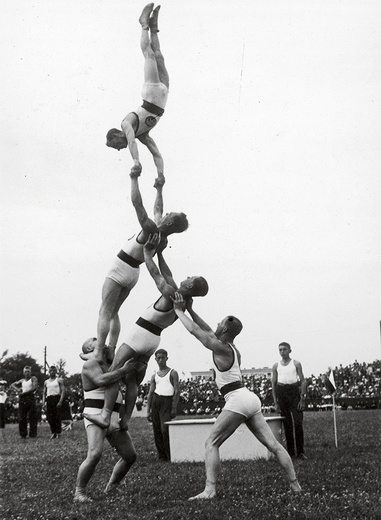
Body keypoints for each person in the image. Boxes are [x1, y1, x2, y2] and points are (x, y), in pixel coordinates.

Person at [172, 292, 302, 499]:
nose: (215, 324)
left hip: (237, 399)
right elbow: (207, 329)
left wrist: (179, 311)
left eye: (220, 322)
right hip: (249, 399)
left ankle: (210, 490)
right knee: (274, 446)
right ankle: (295, 486)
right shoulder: (232, 348)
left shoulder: (220, 347)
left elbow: (197, 331)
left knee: (211, 443)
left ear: (223, 328)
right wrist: (191, 309)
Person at [84, 233, 208, 430]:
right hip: (154, 340)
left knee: (114, 370)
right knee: (132, 380)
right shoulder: (183, 302)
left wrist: (148, 254)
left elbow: (157, 276)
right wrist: (160, 254)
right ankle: (125, 420)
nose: (186, 277)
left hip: (140, 334)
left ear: (191, 285)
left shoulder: (171, 294)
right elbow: (168, 275)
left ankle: (106, 415)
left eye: (189, 278)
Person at [94, 167, 188, 364]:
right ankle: (111, 347)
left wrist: (133, 179)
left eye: (170, 215)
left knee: (105, 310)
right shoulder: (161, 239)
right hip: (133, 273)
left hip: (121, 267)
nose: (167, 212)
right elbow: (158, 209)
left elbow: (138, 204)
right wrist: (159, 189)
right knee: (114, 311)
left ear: (170, 223)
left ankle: (99, 351)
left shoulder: (151, 229)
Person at [106, 3, 169, 179]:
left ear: (117, 134)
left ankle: (143, 24)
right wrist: (160, 174)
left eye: (115, 145)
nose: (119, 148)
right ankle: (154, 27)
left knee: (148, 54)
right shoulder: (143, 135)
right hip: (162, 96)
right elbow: (156, 153)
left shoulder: (126, 124)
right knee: (158, 54)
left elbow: (131, 141)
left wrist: (135, 162)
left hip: (151, 94)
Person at [74, 339, 137, 503]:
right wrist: (124, 369)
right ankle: (79, 492)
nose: (100, 339)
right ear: (89, 348)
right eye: (94, 340)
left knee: (129, 456)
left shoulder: (110, 362)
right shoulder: (90, 363)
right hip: (96, 413)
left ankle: (112, 486)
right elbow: (102, 381)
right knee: (94, 454)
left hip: (113, 416)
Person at [272, 342, 307, 460]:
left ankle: (300, 452)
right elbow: (274, 384)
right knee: (287, 425)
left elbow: (303, 381)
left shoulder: (296, 363)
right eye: (280, 350)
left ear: (290, 350)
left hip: (294, 392)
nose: (282, 352)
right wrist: (276, 402)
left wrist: (302, 398)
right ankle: (291, 452)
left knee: (297, 423)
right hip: (282, 393)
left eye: (284, 349)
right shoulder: (276, 366)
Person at [146, 349, 180, 461]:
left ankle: (170, 455)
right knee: (157, 430)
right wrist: (148, 410)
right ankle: (162, 456)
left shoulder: (172, 373)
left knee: (165, 429)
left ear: (166, 358)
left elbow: (176, 391)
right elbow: (150, 393)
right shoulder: (154, 376)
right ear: (155, 359)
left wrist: (174, 407)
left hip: (167, 402)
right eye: (158, 358)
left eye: (163, 358)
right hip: (156, 401)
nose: (160, 360)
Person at [10, 366, 39, 439]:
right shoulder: (22, 380)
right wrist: (18, 389)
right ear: (23, 373)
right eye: (25, 372)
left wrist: (24, 393)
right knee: (22, 416)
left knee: (32, 416)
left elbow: (34, 388)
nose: (27, 373)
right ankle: (23, 434)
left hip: (30, 397)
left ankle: (33, 434)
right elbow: (12, 385)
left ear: (30, 372)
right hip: (23, 398)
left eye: (28, 371)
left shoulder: (33, 378)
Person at [42, 366, 65, 439]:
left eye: (53, 370)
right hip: (49, 399)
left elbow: (63, 391)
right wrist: (43, 403)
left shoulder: (59, 380)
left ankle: (58, 432)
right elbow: (44, 393)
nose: (52, 372)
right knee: (50, 417)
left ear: (56, 371)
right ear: (48, 371)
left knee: (57, 416)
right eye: (50, 370)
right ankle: (53, 432)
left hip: (56, 398)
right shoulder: (46, 382)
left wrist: (60, 401)